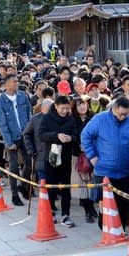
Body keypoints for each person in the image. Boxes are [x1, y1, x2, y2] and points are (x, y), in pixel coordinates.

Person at [81, 96, 129, 229]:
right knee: (105, 202)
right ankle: (105, 227)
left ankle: (121, 228)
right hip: (104, 170)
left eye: (126, 114)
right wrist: (92, 156)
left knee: (124, 203)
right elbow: (85, 135)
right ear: (114, 108)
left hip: (125, 170)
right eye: (120, 114)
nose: (123, 117)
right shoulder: (100, 119)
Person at [39, 95, 79, 227]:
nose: (65, 111)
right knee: (51, 186)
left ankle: (65, 214)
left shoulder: (71, 119)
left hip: (66, 157)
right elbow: (41, 135)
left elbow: (76, 136)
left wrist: (70, 138)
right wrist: (56, 136)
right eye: (62, 108)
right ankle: (50, 211)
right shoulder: (46, 118)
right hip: (51, 157)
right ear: (55, 106)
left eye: (67, 108)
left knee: (66, 187)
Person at [0, 74, 32, 206]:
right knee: (14, 166)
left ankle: (23, 185)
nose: (17, 83)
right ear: (7, 84)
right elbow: (1, 123)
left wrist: (29, 132)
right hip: (12, 137)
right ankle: (15, 194)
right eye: (14, 81)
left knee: (29, 163)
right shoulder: (1, 101)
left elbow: (29, 114)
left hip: (24, 135)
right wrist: (9, 142)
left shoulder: (22, 96)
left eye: (17, 81)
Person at [70, 96, 97, 223]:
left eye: (84, 104)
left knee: (92, 183)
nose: (82, 106)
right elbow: (72, 137)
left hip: (93, 155)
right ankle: (88, 210)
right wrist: (77, 144)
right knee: (82, 185)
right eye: (79, 105)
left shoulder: (93, 118)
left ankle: (91, 207)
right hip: (78, 156)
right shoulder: (72, 121)